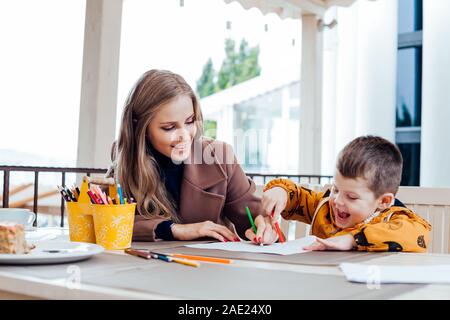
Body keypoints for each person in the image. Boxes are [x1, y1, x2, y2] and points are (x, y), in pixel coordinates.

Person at [107, 69, 278, 244]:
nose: (185, 136)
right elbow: (108, 221)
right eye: (169, 127)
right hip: (145, 265)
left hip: (210, 267)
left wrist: (263, 226)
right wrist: (172, 230)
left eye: (189, 122)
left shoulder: (219, 156)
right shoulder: (125, 156)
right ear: (140, 129)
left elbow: (252, 216)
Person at [261, 135, 432, 252]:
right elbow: (297, 198)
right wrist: (281, 191)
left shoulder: (394, 220)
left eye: (351, 197)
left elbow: (419, 234)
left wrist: (351, 239)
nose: (337, 201)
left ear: (384, 201)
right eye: (336, 189)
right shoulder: (325, 207)